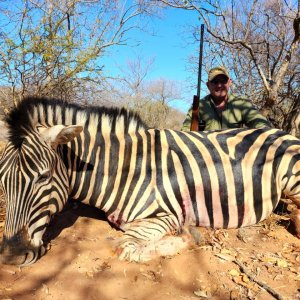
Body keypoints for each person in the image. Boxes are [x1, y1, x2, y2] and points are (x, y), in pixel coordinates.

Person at [181, 66, 272, 131]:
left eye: (223, 81)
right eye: (215, 82)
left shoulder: (241, 102)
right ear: (208, 85)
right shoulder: (198, 106)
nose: (219, 85)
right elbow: (185, 131)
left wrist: (265, 131)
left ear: (229, 82)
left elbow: (259, 121)